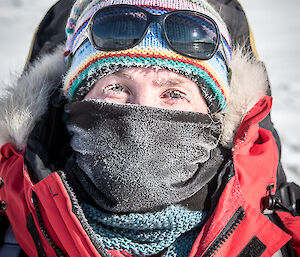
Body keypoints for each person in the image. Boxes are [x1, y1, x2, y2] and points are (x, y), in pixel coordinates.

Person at [0, 0, 299, 256]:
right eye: (116, 87)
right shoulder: (9, 238)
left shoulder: (281, 241)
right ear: (70, 108)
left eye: (174, 93)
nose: (143, 111)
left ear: (217, 121)